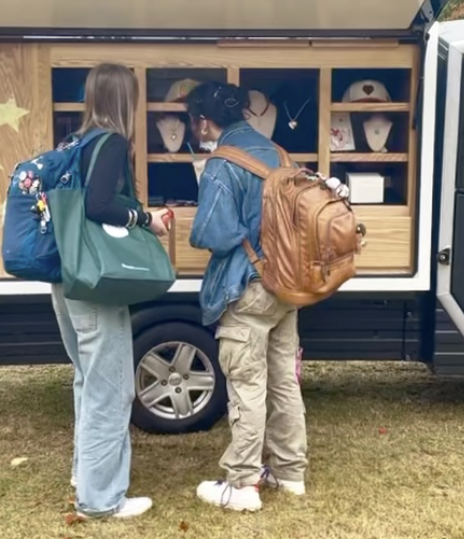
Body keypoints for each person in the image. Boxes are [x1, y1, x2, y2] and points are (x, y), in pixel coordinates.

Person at [52, 63, 168, 520]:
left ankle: (86, 475)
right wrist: (145, 218)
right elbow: (101, 204)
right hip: (97, 283)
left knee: (87, 379)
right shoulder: (112, 142)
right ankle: (101, 500)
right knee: (110, 388)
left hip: (68, 277)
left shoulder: (73, 142)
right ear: (126, 99)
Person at [185, 81, 309, 513]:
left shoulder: (222, 163)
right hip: (285, 285)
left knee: (247, 385)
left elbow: (210, 233)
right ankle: (291, 473)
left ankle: (242, 483)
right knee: (283, 383)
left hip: (246, 288)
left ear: (203, 121)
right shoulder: (278, 153)